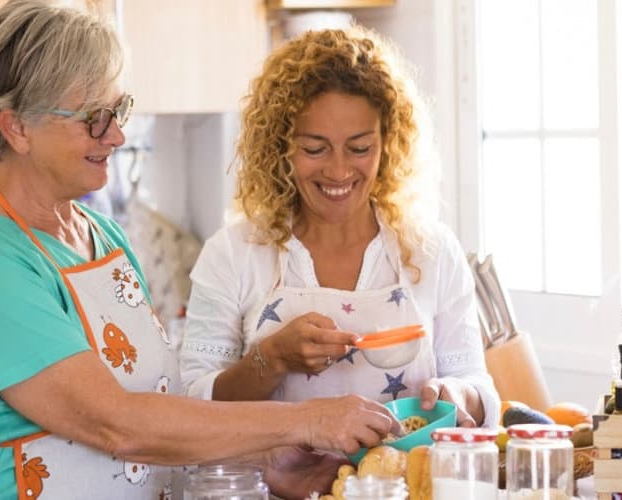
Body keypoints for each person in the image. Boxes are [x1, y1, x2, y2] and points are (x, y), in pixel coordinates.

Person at [0, 3, 397, 499]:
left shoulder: (103, 237)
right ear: (16, 127)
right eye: (94, 119)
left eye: (118, 110)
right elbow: (118, 425)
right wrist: (306, 421)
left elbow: (159, 411)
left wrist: (266, 464)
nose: (117, 135)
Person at [180, 28, 501, 430]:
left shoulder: (431, 250)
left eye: (360, 147)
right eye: (314, 148)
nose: (338, 170)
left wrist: (458, 395)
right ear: (281, 146)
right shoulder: (234, 252)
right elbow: (191, 402)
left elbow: (477, 384)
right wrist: (273, 359)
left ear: (388, 141)